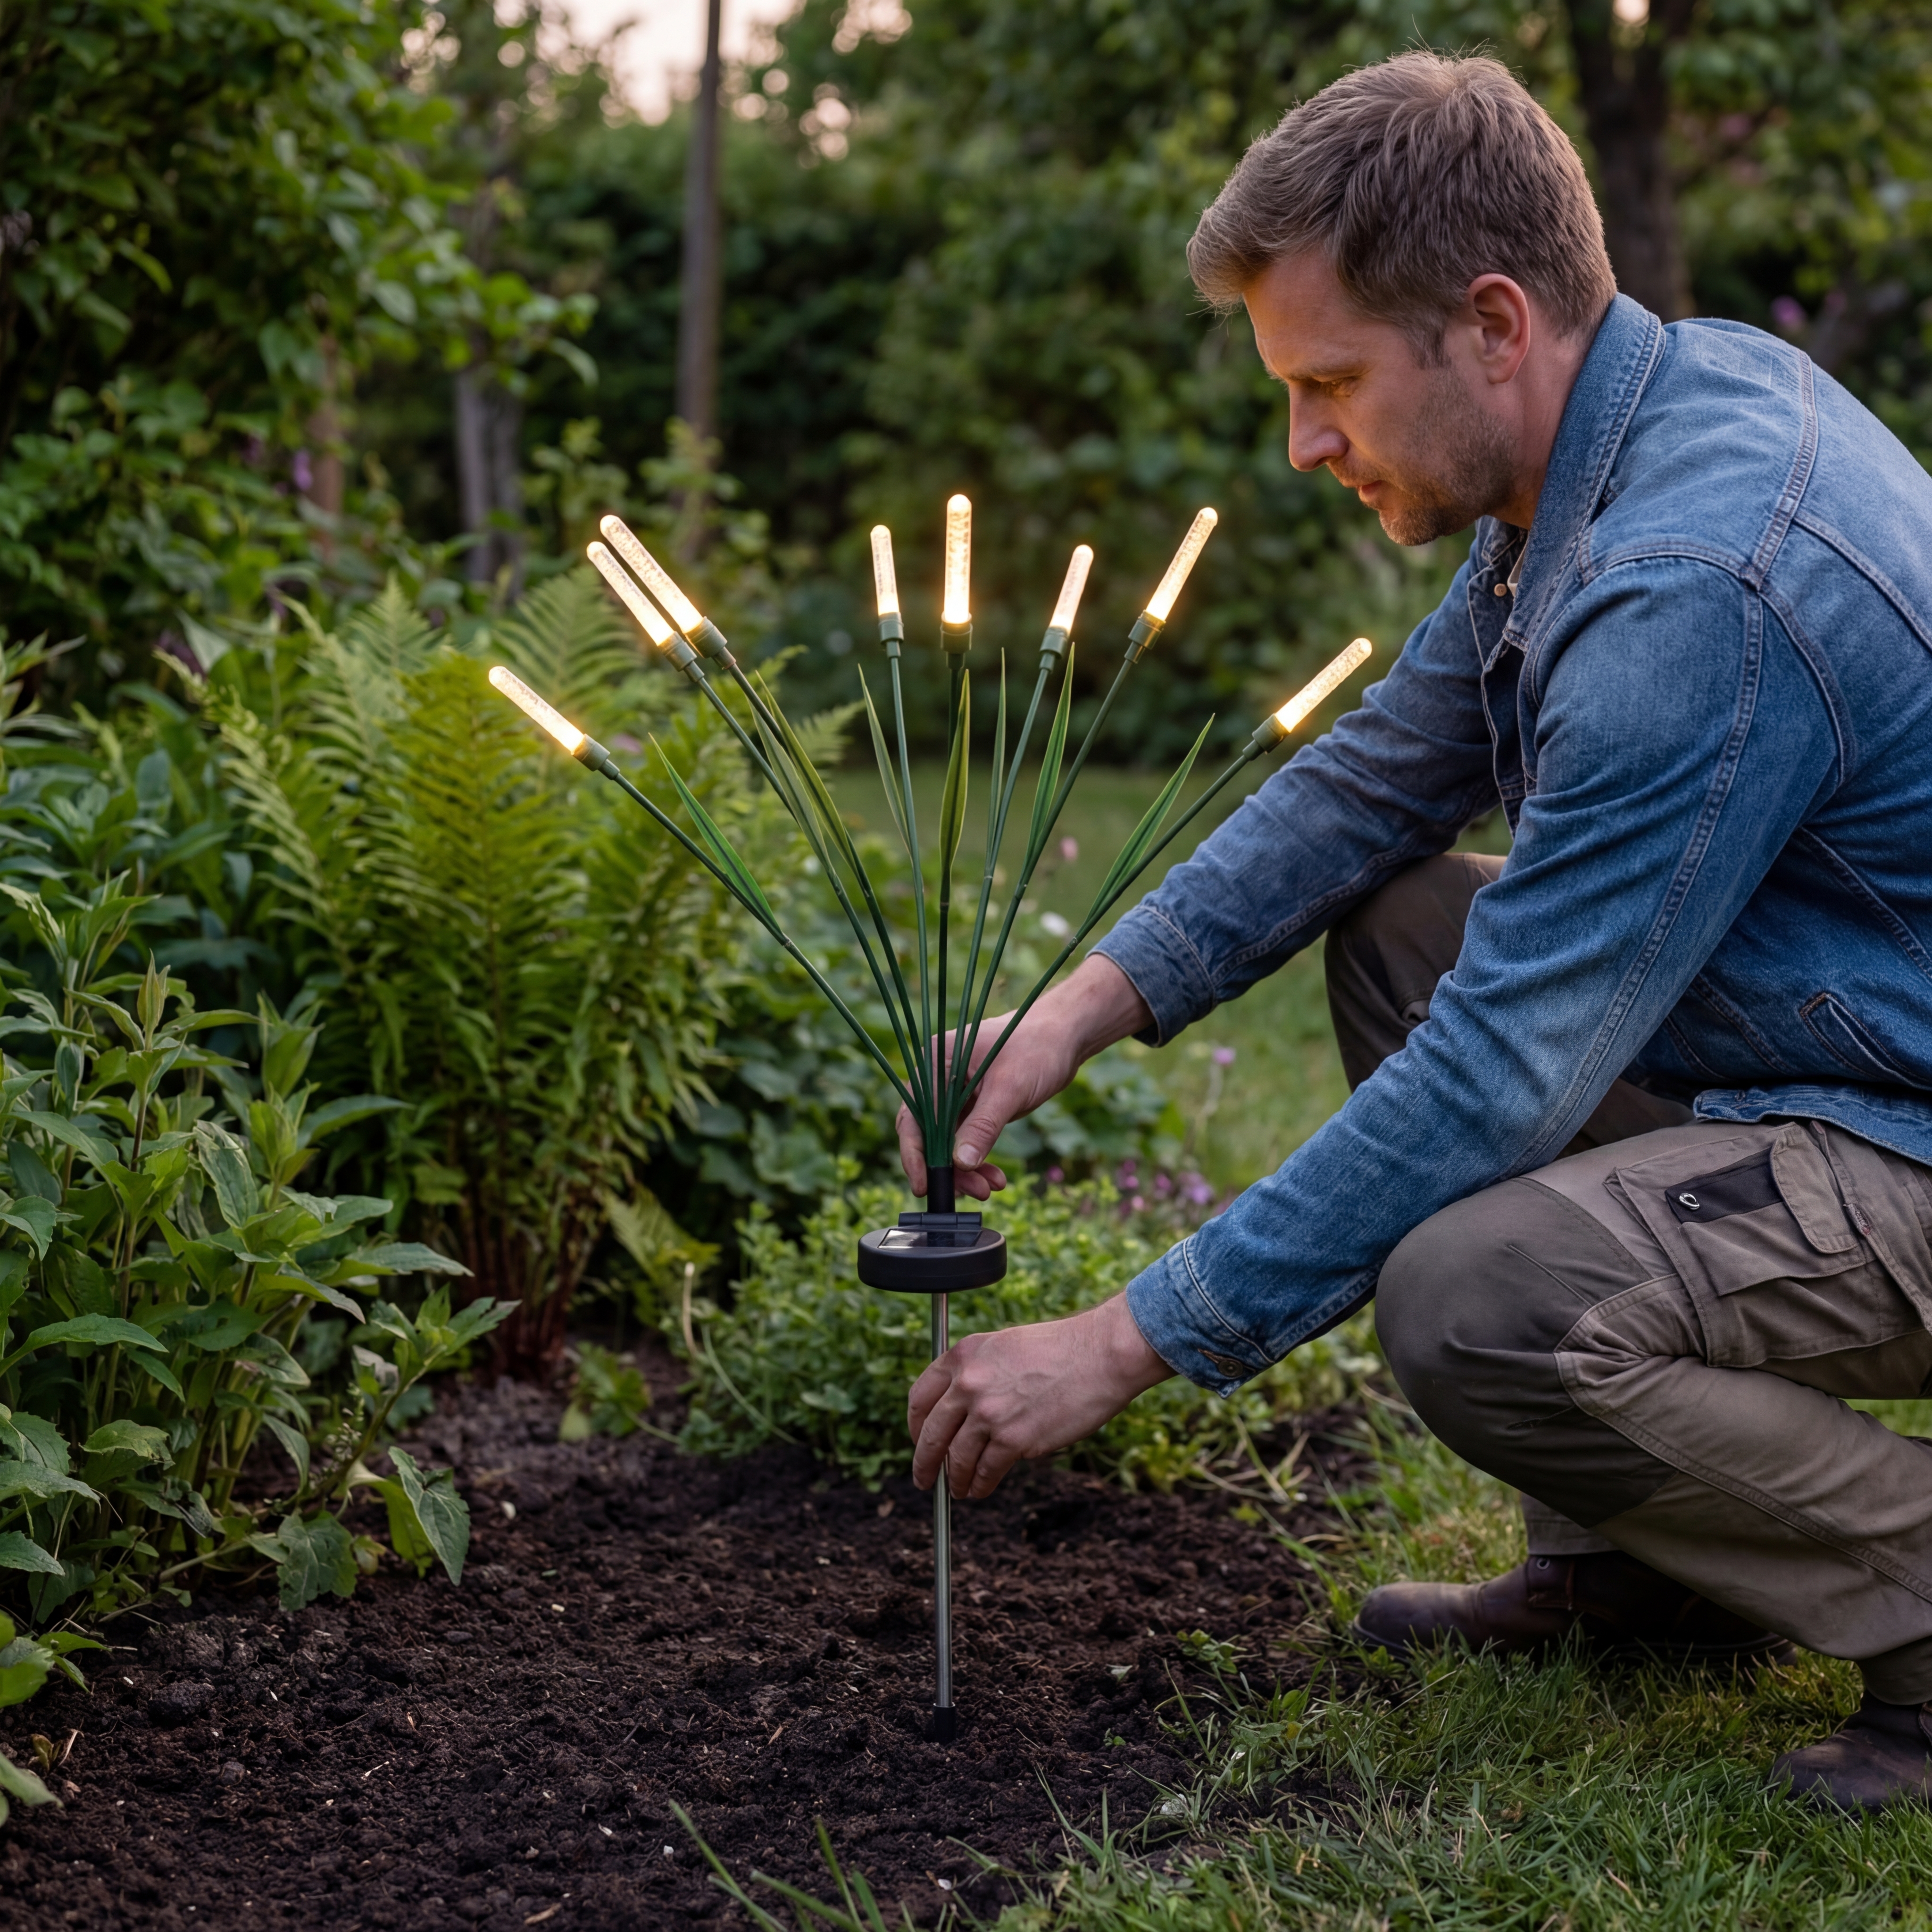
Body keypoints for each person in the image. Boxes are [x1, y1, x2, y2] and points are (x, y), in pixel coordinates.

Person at [898, 50, 1932, 1813]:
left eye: (1329, 383)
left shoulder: (1694, 588)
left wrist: (1124, 1339)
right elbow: (1379, 781)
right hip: (1813, 1047)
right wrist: (1080, 1007)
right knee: (1397, 924)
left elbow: (1503, 1075)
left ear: (1494, 321)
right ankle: (1636, 1574)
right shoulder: (1625, 433)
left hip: (1901, 1128)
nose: (1302, 442)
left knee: (1478, 1299)